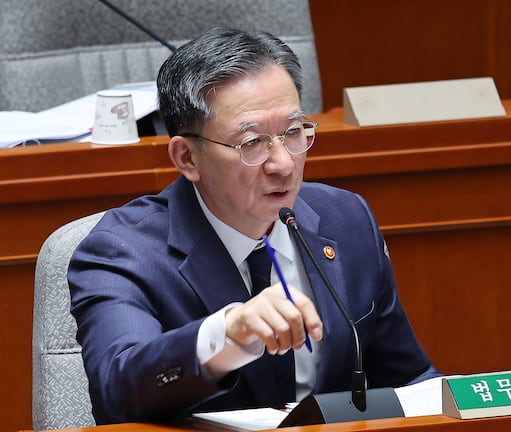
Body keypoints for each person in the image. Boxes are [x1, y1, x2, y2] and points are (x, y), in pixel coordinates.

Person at [68, 27, 439, 425]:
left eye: (293, 132)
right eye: (252, 143)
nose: (283, 164)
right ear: (187, 157)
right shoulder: (123, 250)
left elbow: (409, 380)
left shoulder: (346, 219)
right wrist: (228, 333)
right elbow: (119, 391)